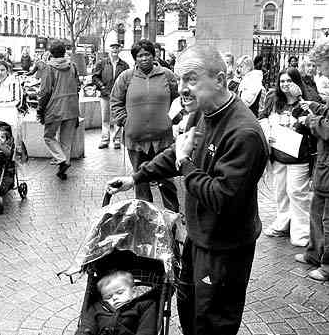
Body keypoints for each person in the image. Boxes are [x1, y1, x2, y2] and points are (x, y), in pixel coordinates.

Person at [107, 45, 269, 335]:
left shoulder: (244, 133)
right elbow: (175, 152)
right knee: (189, 308)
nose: (182, 88)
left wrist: (184, 163)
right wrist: (135, 177)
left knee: (213, 320)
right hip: (198, 236)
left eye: (191, 80)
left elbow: (221, 196)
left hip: (224, 248)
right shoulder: (202, 113)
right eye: (180, 80)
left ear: (220, 79)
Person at [110, 39, 180, 213]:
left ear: (153, 55)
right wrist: (124, 120)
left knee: (166, 179)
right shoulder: (126, 77)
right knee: (140, 180)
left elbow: (177, 99)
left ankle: (173, 214)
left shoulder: (167, 75)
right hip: (136, 139)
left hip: (162, 139)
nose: (144, 59)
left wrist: (174, 118)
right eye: (140, 56)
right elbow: (115, 101)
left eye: (147, 54)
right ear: (135, 58)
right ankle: (144, 216)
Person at [259, 68, 314, 247]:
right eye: (282, 81)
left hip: (298, 157)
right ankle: (283, 224)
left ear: (297, 82)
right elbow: (263, 117)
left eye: (289, 81)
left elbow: (312, 124)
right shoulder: (274, 100)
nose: (285, 84)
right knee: (281, 192)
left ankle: (301, 232)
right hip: (278, 155)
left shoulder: (304, 102)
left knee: (297, 193)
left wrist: (300, 101)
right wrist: (268, 129)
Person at [294, 41, 329, 281]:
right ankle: (314, 254)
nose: (319, 73)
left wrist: (312, 121)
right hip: (324, 168)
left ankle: (327, 265)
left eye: (321, 66)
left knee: (327, 220)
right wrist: (316, 107)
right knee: (316, 212)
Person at [37, 40, 80, 180]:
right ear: (64, 51)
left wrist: (40, 110)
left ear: (50, 53)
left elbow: (45, 91)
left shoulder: (48, 68)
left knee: (48, 136)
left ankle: (61, 159)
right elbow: (77, 87)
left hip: (55, 108)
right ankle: (64, 166)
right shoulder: (72, 66)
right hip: (72, 107)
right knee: (66, 140)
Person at [76, 271, 156, 335]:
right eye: (108, 297)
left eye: (120, 292)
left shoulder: (144, 305)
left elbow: (147, 329)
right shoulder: (97, 308)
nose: (114, 298)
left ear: (133, 292)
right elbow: (87, 326)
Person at [92, 42, 129, 149]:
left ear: (119, 50)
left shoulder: (124, 65)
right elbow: (95, 77)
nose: (114, 50)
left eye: (117, 48)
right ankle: (105, 139)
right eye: (112, 48)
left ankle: (117, 140)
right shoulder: (102, 63)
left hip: (119, 96)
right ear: (109, 50)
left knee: (118, 118)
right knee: (105, 118)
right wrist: (102, 87)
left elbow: (127, 79)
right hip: (105, 95)